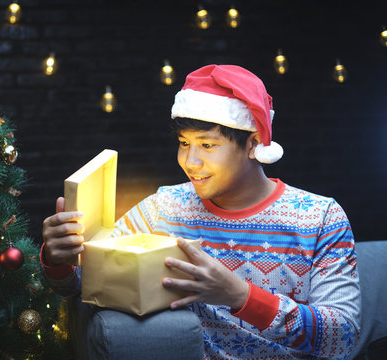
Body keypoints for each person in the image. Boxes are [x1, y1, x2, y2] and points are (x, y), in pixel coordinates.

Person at [40, 64, 361, 359]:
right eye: (183, 142)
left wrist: (240, 296)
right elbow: (84, 284)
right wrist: (59, 259)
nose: (190, 161)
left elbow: (342, 336)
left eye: (207, 145)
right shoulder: (163, 209)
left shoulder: (320, 218)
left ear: (253, 143)